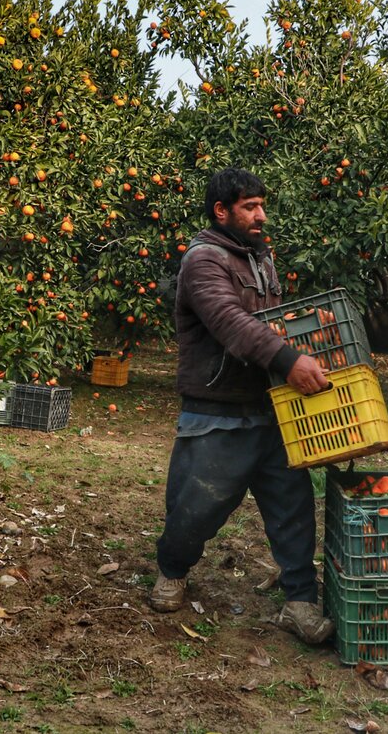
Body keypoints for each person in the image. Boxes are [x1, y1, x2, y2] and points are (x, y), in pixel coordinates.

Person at [149, 167, 334, 645]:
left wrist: (309, 326)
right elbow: (229, 321)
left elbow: (265, 322)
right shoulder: (203, 260)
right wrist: (289, 358)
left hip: (272, 404)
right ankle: (172, 569)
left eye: (261, 205)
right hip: (217, 407)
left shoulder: (260, 258)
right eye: (250, 206)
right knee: (197, 508)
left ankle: (299, 601)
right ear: (221, 211)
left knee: (292, 506)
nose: (260, 215)